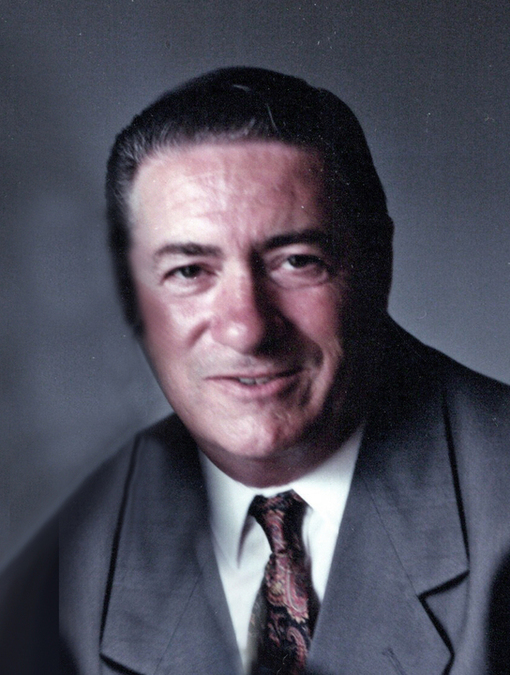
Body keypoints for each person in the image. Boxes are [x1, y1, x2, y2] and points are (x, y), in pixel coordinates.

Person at [2, 66, 510, 675]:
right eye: (189, 271)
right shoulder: (66, 542)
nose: (246, 329)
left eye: (296, 261)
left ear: (378, 263)